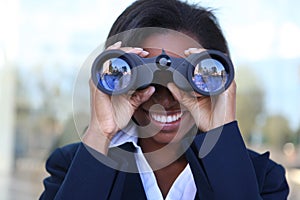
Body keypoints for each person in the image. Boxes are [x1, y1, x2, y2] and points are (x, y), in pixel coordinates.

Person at [39, 0, 289, 199]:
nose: (166, 99)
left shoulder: (262, 178)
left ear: (219, 77)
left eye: (187, 77)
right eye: (143, 77)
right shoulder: (72, 167)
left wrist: (220, 133)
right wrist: (100, 133)